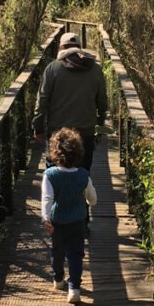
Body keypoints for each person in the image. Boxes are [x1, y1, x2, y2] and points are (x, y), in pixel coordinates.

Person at [32, 32, 108, 232]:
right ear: (79, 47)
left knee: (55, 176)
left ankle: (57, 224)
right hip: (85, 134)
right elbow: (102, 104)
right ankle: (81, 223)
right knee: (83, 176)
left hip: (58, 136)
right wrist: (98, 127)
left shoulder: (52, 69)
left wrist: (38, 128)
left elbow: (41, 103)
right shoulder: (96, 70)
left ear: (60, 48)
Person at [41, 128, 98, 304]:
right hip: (78, 221)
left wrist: (46, 218)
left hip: (57, 221)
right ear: (79, 153)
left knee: (57, 252)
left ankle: (58, 279)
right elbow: (93, 199)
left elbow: (47, 198)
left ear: (55, 153)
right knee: (75, 254)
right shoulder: (83, 175)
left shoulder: (50, 175)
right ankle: (74, 288)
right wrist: (88, 201)